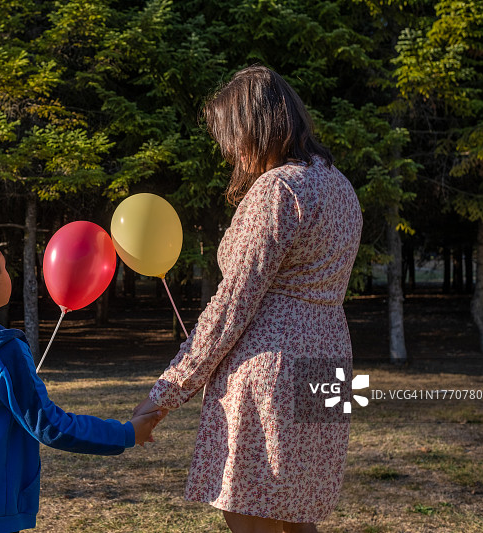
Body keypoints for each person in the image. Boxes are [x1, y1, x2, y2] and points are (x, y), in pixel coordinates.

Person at [134, 65, 363, 533]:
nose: (233, 153)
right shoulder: (339, 185)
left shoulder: (279, 188)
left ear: (257, 128)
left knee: (252, 510)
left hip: (271, 367)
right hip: (329, 358)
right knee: (297, 509)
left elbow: (231, 305)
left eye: (234, 138)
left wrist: (165, 395)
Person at [0, 228, 164, 533]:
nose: (8, 273)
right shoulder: (3, 351)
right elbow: (51, 425)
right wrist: (126, 433)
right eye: (4, 267)